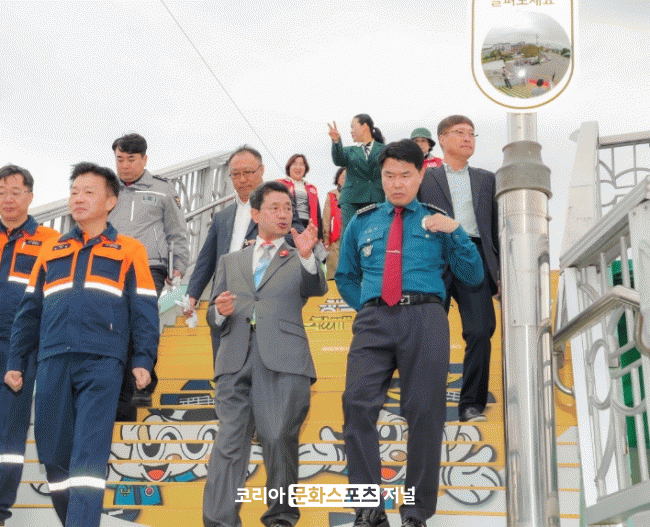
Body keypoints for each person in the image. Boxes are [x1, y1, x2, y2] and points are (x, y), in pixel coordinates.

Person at [336, 139, 483, 527]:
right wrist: (368, 305)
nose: (397, 183)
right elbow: (346, 275)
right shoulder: (362, 221)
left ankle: (416, 513)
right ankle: (368, 509)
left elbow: (472, 275)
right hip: (374, 320)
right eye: (389, 175)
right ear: (381, 178)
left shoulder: (438, 220)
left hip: (425, 318)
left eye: (405, 175)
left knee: (424, 412)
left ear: (420, 176)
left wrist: (457, 232)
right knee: (356, 404)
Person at [4, 162, 159, 527]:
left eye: (89, 192)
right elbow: (29, 311)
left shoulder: (129, 249)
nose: (78, 198)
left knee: (88, 454)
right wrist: (15, 360)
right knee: (53, 455)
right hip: (53, 358)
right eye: (74, 192)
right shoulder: (51, 249)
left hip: (102, 361)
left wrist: (143, 358)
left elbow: (144, 309)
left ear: (110, 202)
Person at [202, 181, 327, 527]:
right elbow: (213, 312)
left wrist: (308, 256)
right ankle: (219, 521)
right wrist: (219, 312)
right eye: (275, 208)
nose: (283, 214)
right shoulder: (231, 260)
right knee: (229, 443)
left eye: (288, 208)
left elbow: (316, 287)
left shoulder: (299, 256)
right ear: (255, 215)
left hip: (284, 359)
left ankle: (280, 517)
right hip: (234, 358)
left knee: (277, 436)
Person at [183, 146, 304, 361]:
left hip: (263, 301)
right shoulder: (222, 217)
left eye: (248, 172)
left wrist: (267, 243)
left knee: (264, 369)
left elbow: (296, 238)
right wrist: (192, 295)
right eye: (235, 174)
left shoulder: (279, 207)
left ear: (261, 170)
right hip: (226, 302)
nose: (242, 180)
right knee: (225, 369)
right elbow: (206, 260)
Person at [418, 115, 499, 423]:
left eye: (472, 134)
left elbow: (495, 228)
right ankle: (425, 406)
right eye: (460, 132)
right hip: (434, 257)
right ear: (442, 139)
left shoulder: (487, 179)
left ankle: (471, 405)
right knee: (427, 333)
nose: (467, 138)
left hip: (474, 256)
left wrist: (500, 273)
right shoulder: (425, 178)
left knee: (480, 331)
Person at [109, 133, 188, 415]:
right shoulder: (107, 188)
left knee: (142, 320)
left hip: (149, 265)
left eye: (131, 159)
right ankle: (123, 389)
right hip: (111, 265)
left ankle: (141, 382)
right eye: (120, 159)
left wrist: (179, 264)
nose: (125, 165)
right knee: (115, 326)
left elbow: (177, 231)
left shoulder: (163, 189)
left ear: (144, 159)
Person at [0, 165, 59, 527]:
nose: (7, 199)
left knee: (9, 431)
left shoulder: (50, 241)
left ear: (30, 197)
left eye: (15, 192)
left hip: (20, 347)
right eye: (1, 192)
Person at [328, 114, 385, 232]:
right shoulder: (349, 151)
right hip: (351, 200)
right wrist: (336, 141)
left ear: (364, 126)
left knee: (374, 234)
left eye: (353, 127)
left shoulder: (384, 149)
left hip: (376, 197)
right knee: (351, 233)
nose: (351, 131)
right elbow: (338, 160)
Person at [279, 154, 323, 241]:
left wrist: (320, 236)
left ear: (305, 168)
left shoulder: (312, 188)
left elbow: (317, 213)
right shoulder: (280, 184)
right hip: (287, 226)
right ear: (289, 167)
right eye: (294, 164)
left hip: (309, 227)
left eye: (302, 164)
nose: (298, 167)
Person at [322, 167, 345, 280]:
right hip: (335, 237)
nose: (346, 179)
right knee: (333, 268)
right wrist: (326, 238)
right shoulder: (331, 195)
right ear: (337, 180)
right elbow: (326, 217)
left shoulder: (357, 195)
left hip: (352, 236)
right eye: (343, 177)